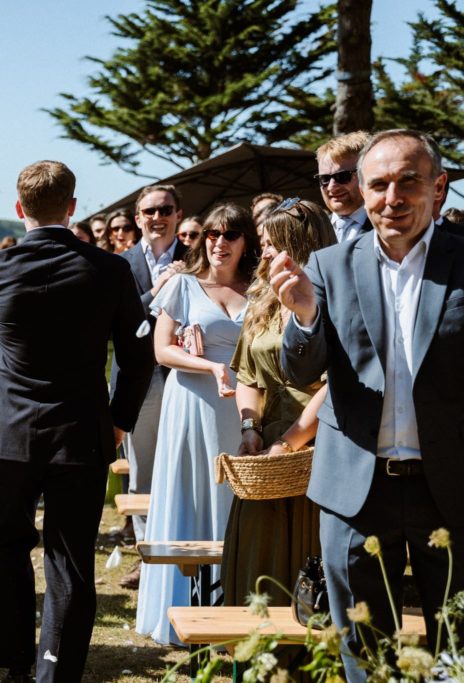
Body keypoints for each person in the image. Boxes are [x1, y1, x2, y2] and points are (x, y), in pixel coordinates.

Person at [273, 129, 464, 682]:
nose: (393, 198)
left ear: (440, 187)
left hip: (449, 489)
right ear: (361, 190)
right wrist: (304, 317)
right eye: (378, 184)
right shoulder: (329, 265)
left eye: (409, 182)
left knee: (457, 651)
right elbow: (301, 369)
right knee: (365, 656)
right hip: (357, 492)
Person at [0, 165, 154, 682]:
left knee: (9, 545)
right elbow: (138, 357)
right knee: (70, 558)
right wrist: (119, 421)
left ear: (19, 211)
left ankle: (16, 665)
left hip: (11, 434)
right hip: (82, 431)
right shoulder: (110, 270)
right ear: (72, 207)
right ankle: (56, 672)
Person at [135, 202, 260, 645]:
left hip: (245, 405)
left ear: (246, 241)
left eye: (229, 235)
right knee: (191, 491)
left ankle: (233, 609)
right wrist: (205, 365)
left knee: (232, 500)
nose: (219, 243)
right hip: (191, 400)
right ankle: (182, 608)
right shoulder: (184, 285)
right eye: (211, 234)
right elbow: (162, 350)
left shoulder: (258, 290)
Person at [222, 198, 336, 607]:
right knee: (260, 555)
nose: (263, 252)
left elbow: (335, 385)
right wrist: (250, 428)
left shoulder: (333, 297)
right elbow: (249, 375)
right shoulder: (262, 298)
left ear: (301, 245)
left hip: (322, 445)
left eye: (273, 244)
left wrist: (290, 442)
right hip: (267, 454)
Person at [116, 184, 189, 589]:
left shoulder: (197, 259)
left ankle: (185, 554)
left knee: (182, 469)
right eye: (148, 211)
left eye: (165, 209)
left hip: (186, 379)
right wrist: (155, 292)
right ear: (137, 216)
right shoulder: (120, 265)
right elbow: (120, 322)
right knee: (142, 471)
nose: (156, 217)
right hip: (139, 379)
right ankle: (148, 559)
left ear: (178, 214)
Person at [316, 131, 372, 243]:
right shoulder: (313, 231)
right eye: (325, 179)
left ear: (367, 173)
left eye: (342, 176)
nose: (332, 187)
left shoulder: (388, 227)